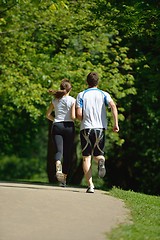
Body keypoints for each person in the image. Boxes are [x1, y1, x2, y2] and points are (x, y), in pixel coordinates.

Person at [76, 72, 119, 193]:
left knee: (86, 158)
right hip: (100, 129)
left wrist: (82, 118)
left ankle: (90, 186)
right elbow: (113, 106)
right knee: (98, 155)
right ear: (97, 82)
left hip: (86, 128)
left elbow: (79, 114)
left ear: (87, 82)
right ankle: (101, 161)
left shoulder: (81, 95)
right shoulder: (104, 94)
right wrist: (116, 124)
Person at [46, 78, 75, 187]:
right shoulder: (72, 100)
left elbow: (47, 115)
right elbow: (72, 116)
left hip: (57, 126)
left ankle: (58, 162)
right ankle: (64, 179)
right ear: (69, 89)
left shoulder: (55, 100)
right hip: (69, 126)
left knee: (59, 151)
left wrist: (56, 120)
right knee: (67, 154)